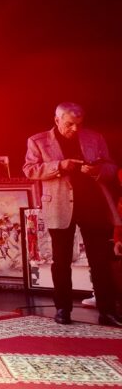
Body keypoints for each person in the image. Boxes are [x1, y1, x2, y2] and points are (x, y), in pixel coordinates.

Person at [23, 102, 121, 327]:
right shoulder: (37, 141)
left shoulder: (95, 138)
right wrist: (60, 166)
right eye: (70, 124)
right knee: (61, 260)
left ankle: (107, 311)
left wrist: (98, 171)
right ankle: (62, 309)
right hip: (59, 206)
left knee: (100, 260)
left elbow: (111, 167)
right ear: (57, 120)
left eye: (79, 124)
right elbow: (29, 170)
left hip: (93, 205)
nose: (75, 129)